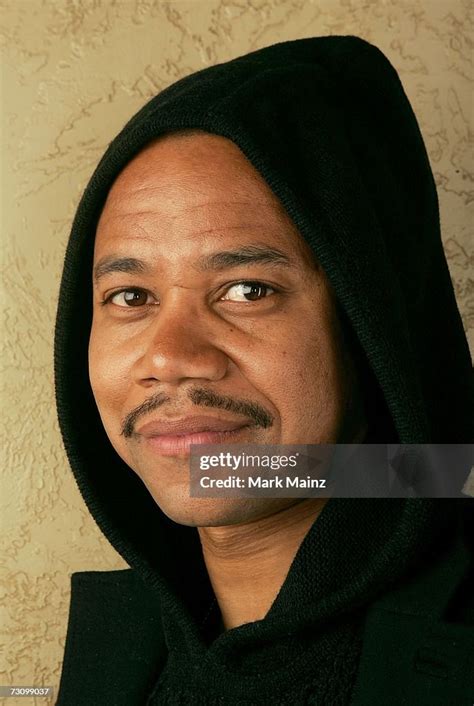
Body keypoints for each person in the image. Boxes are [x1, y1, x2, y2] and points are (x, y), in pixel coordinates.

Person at [54, 36, 473, 705]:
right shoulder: (116, 657)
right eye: (131, 298)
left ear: (372, 326)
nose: (170, 357)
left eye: (248, 290)